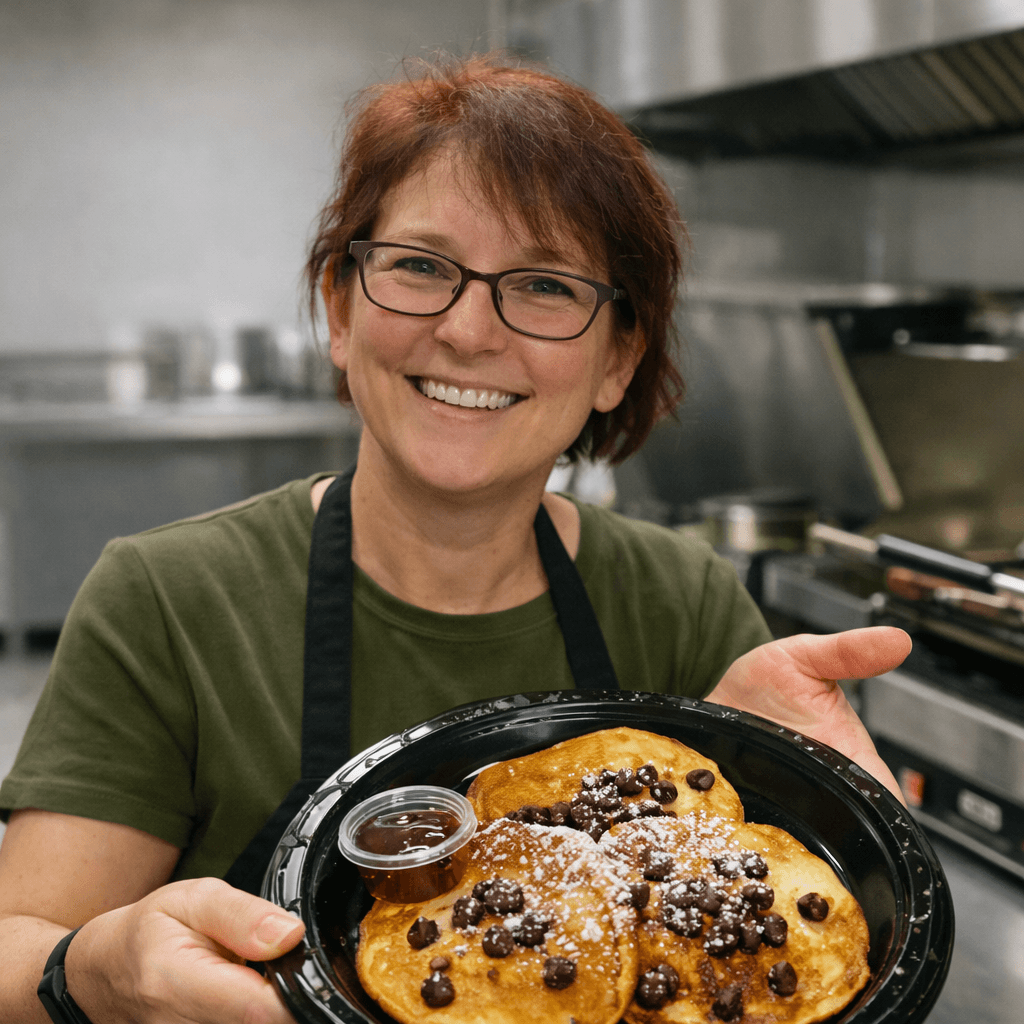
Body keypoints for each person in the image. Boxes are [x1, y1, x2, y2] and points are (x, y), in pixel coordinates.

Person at [0, 53, 911, 1024]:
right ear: (340, 308)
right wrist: (92, 971)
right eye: (422, 267)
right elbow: (16, 949)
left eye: (546, 284)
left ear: (617, 359)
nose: (470, 330)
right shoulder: (168, 596)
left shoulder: (679, 595)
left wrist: (815, 808)